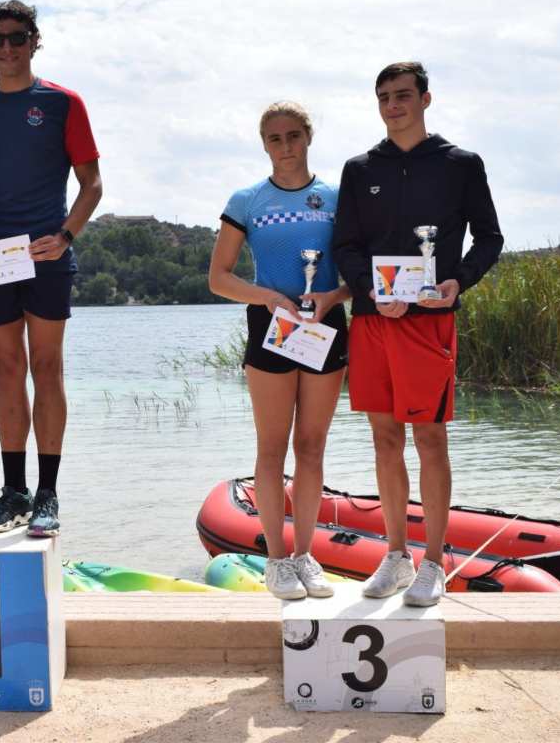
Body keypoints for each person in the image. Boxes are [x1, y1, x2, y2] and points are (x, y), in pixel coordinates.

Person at [333, 62, 504, 606]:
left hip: (430, 323)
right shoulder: (360, 169)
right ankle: (395, 555)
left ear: (426, 99)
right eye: (384, 97)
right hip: (372, 321)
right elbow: (346, 246)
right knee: (384, 440)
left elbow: (490, 238)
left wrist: (460, 281)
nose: (393, 105)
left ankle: (433, 563)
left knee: (430, 439)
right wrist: (367, 288)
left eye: (403, 95)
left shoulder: (460, 164)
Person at [0, 0, 103, 537]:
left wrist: (65, 237)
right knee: (7, 372)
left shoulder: (63, 103)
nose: (7, 48)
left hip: (46, 257)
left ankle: (48, 493)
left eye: (17, 37)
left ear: (36, 40)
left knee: (48, 370)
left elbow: (92, 185)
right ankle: (13, 491)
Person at [208, 102, 350, 600]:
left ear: (309, 136)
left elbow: (356, 273)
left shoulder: (336, 196)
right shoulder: (247, 200)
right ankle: (276, 561)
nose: (285, 146)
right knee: (272, 447)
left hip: (324, 324)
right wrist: (268, 297)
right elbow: (219, 277)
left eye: (293, 136)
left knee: (311, 447)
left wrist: (332, 296)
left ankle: (306, 555)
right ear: (263, 143)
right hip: (270, 329)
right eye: (274, 138)